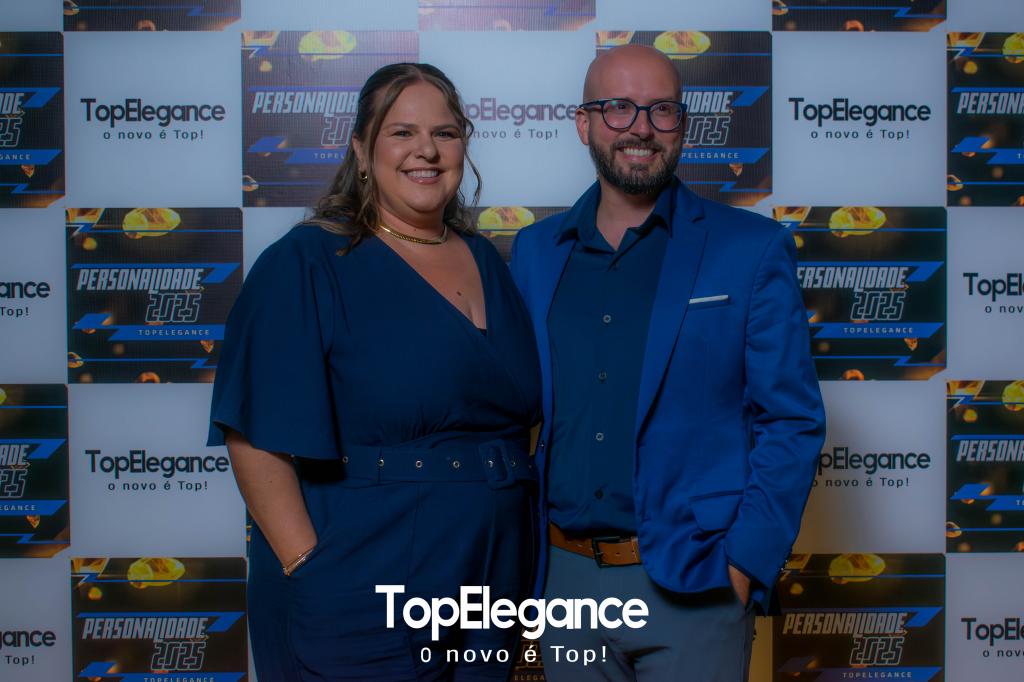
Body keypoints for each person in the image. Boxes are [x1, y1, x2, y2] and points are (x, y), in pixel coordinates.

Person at [208, 63, 541, 681]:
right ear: (361, 150)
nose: (426, 150)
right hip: (365, 568)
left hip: (493, 575)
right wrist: (307, 564)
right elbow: (252, 434)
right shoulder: (308, 261)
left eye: (444, 133)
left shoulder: (487, 260)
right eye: (402, 132)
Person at [510, 45, 826, 681]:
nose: (641, 128)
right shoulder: (535, 251)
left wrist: (745, 563)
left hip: (695, 580)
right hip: (564, 582)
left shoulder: (751, 248)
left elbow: (791, 421)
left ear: (682, 126)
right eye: (618, 108)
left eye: (662, 110)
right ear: (584, 124)